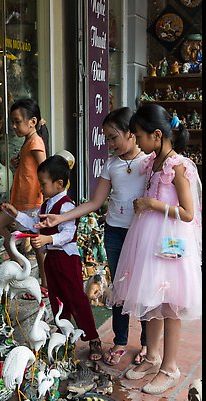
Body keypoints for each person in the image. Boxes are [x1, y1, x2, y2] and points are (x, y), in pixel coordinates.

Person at [35, 107, 149, 366]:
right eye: (106, 138)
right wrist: (62, 218)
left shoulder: (148, 163)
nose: (109, 144)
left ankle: (146, 344)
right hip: (114, 233)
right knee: (119, 288)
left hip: (142, 233)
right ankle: (120, 341)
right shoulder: (112, 165)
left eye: (113, 137)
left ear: (131, 134)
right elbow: (96, 202)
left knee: (143, 290)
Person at [111, 103, 202, 394]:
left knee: (170, 304)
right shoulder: (153, 162)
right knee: (152, 299)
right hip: (150, 240)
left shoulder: (178, 167)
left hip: (171, 242)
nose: (136, 140)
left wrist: (152, 204)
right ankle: (152, 355)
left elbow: (189, 213)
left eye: (139, 135)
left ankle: (170, 367)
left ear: (158, 135)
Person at [1, 154, 103, 361]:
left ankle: (93, 339)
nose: (40, 187)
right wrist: (15, 214)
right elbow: (33, 225)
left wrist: (48, 239)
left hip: (67, 259)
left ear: (59, 184)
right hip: (53, 261)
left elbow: (68, 234)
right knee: (57, 299)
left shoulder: (66, 206)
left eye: (43, 183)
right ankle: (64, 337)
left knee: (76, 299)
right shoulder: (47, 205)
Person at [0, 97, 48, 293]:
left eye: (17, 121)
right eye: (12, 122)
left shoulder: (35, 142)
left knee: (37, 245)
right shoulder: (28, 142)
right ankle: (21, 268)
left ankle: (44, 283)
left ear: (32, 122)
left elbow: (44, 169)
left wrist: (45, 198)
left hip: (33, 203)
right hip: (21, 203)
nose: (14, 126)